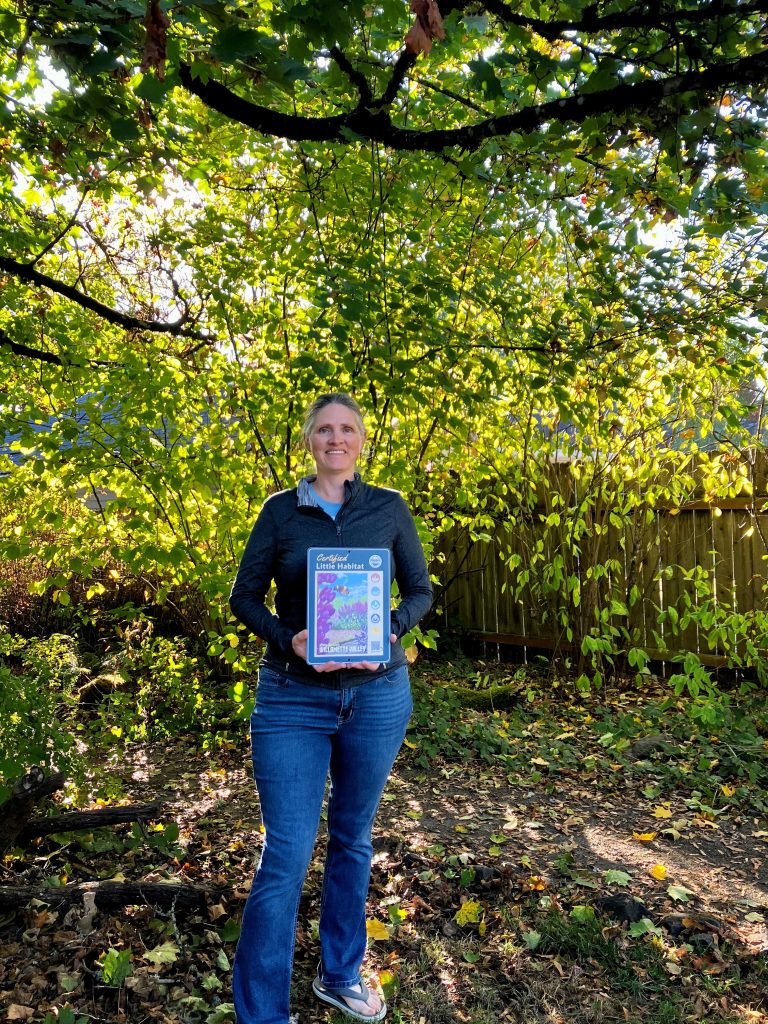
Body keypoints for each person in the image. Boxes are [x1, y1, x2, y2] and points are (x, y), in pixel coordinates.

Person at [229, 392, 432, 1024]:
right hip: (293, 700)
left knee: (352, 839)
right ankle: (261, 1013)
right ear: (309, 440)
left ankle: (339, 973)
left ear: (361, 441)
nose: (335, 439)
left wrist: (390, 628)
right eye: (324, 429)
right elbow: (244, 597)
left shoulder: (388, 509)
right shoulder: (280, 512)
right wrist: (284, 637)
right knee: (286, 853)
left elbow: (421, 590)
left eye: (347, 429)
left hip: (377, 699)